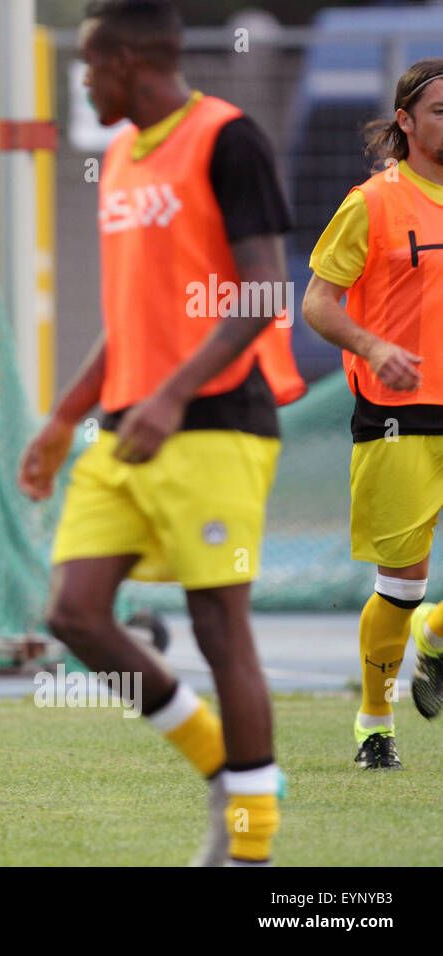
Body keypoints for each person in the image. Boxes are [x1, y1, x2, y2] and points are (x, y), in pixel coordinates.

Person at [18, 0, 304, 865]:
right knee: (74, 614)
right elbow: (128, 317)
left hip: (216, 423)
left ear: (135, 62)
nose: (84, 81)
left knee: (220, 624)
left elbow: (262, 292)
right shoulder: (115, 159)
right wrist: (65, 418)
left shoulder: (228, 138)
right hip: (125, 428)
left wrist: (174, 396)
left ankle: (250, 852)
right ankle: (230, 765)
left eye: (91, 68)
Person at [302, 58, 443, 770]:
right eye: (441, 109)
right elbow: (318, 303)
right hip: (398, 416)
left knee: (427, 606)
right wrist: (371, 344)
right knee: (401, 588)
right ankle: (374, 723)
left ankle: (438, 636)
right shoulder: (373, 203)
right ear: (406, 123)